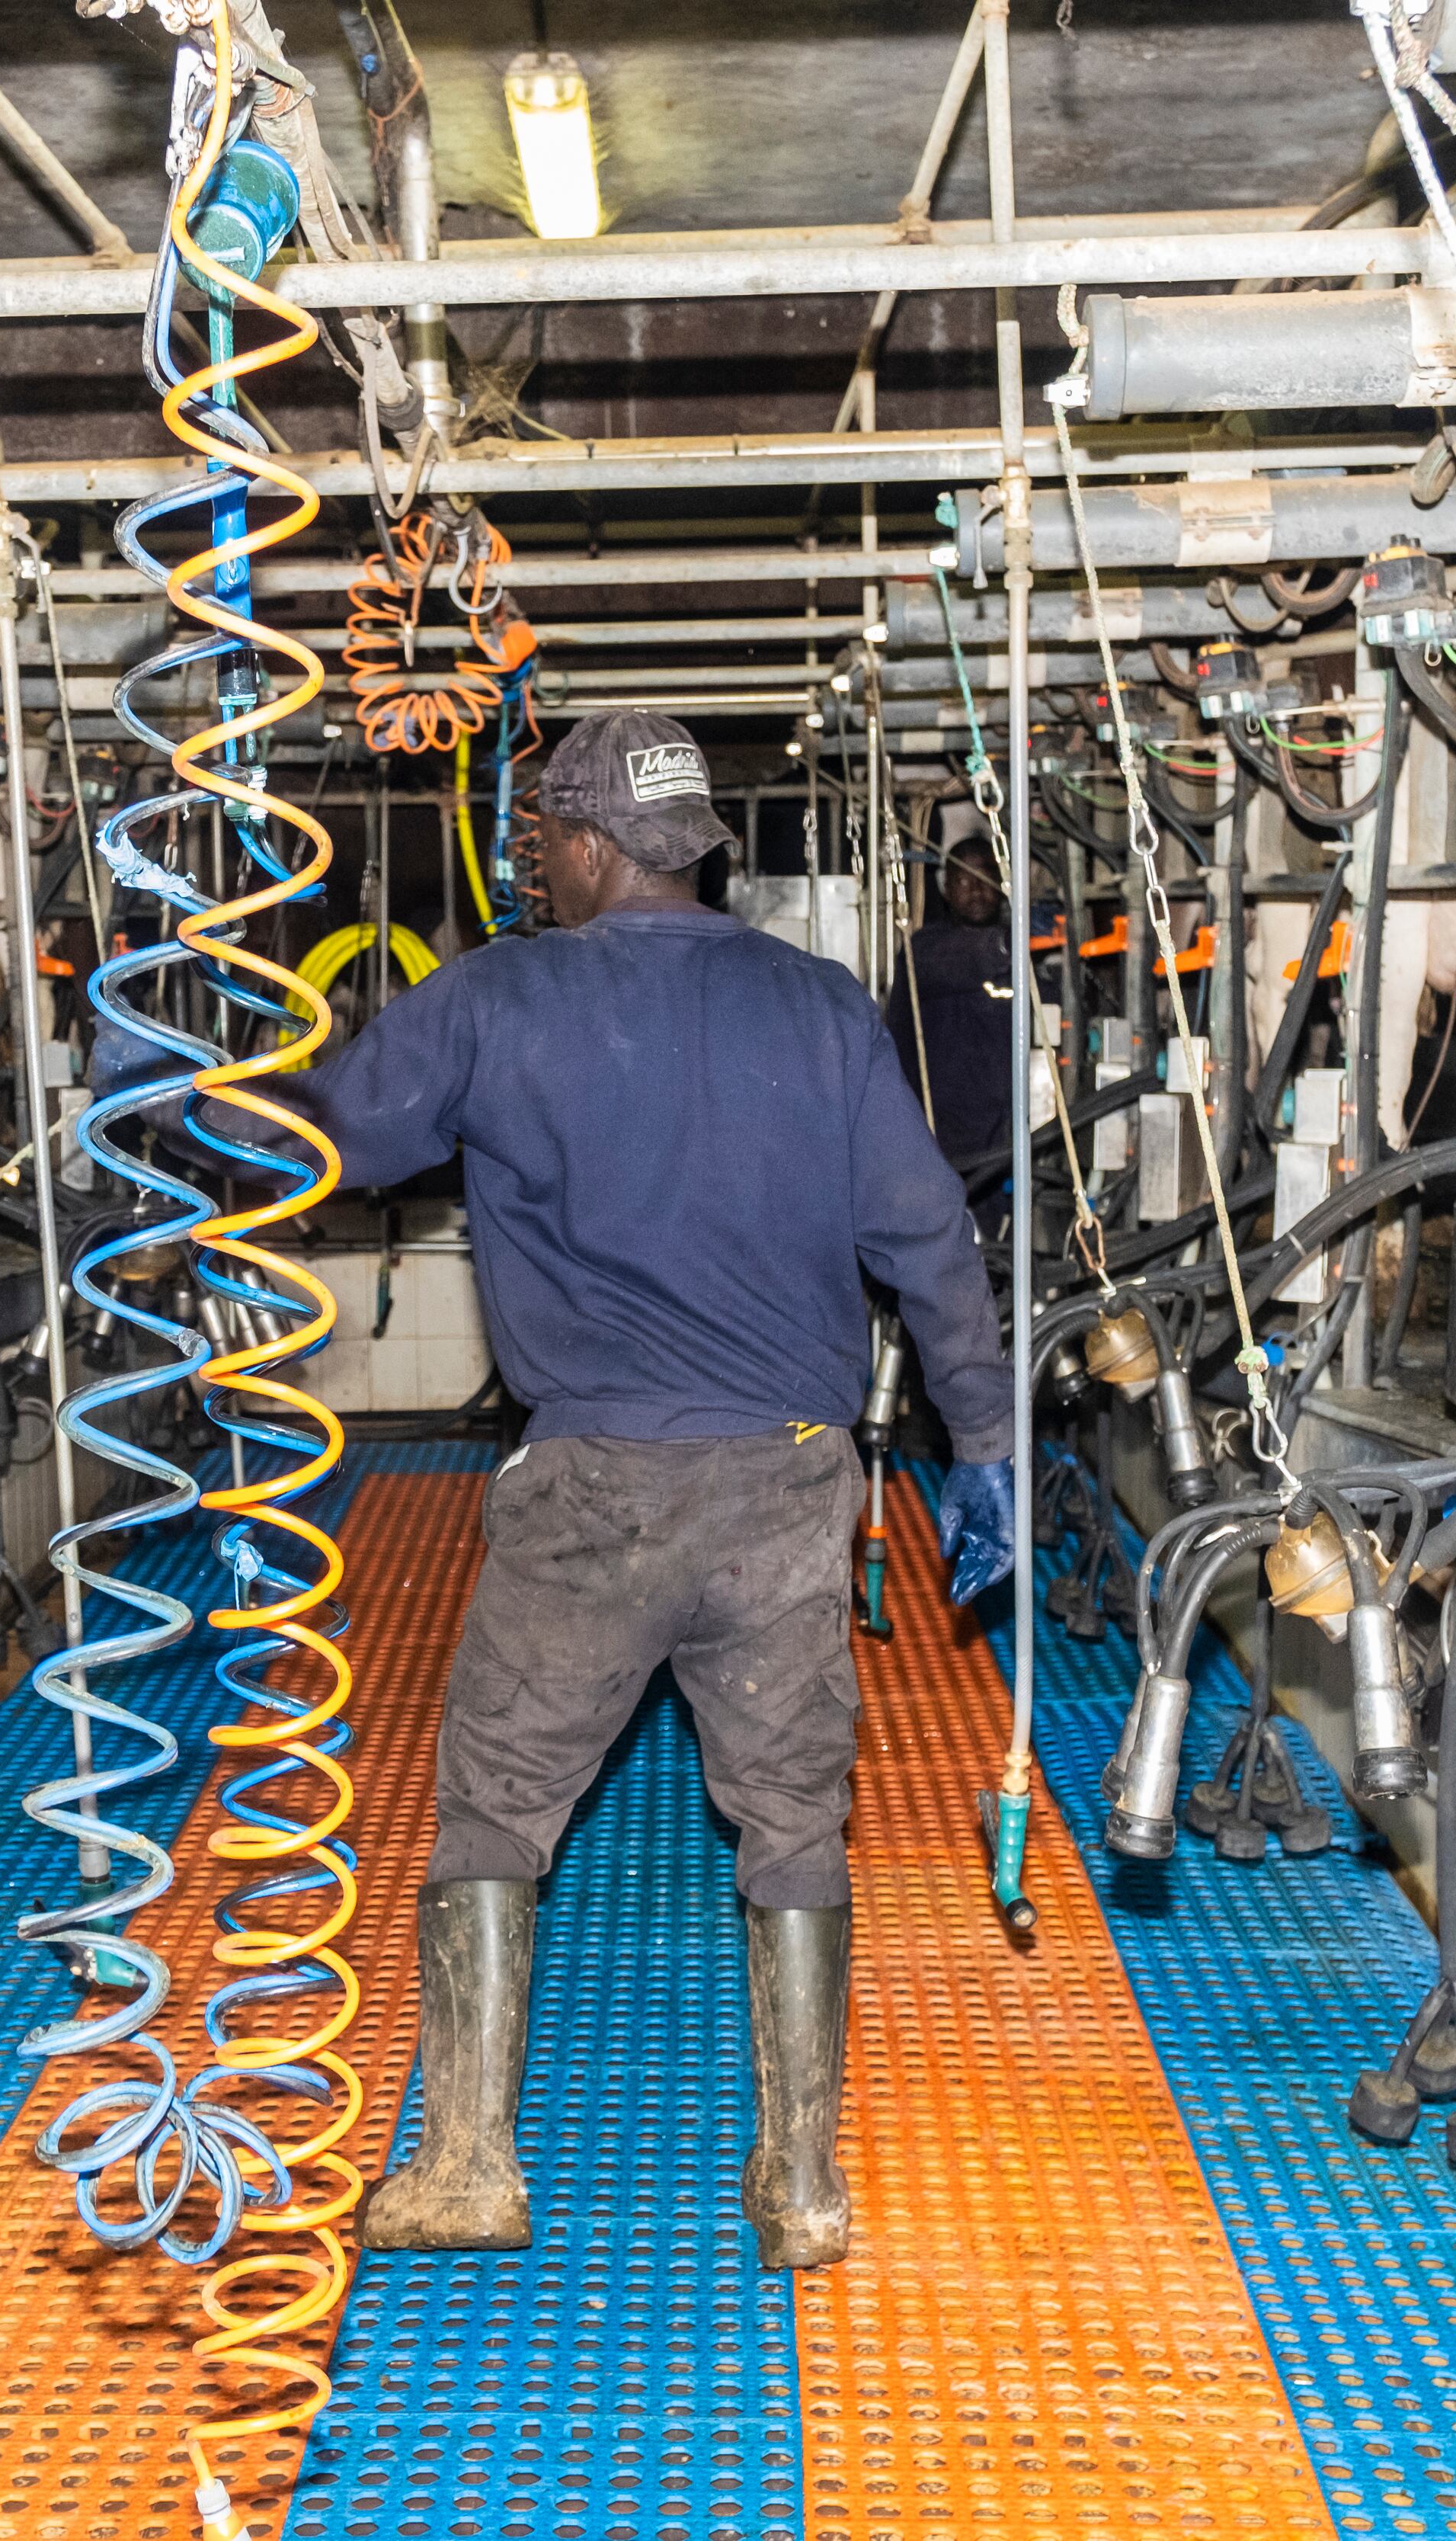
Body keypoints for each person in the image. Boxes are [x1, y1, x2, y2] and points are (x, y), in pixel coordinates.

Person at [290, 710, 1019, 2272]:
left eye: (543, 834)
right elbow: (930, 1246)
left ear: (590, 845)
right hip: (790, 1484)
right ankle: (802, 2179)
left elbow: (321, 1144)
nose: (532, 860)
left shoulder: (496, 995)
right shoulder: (823, 1009)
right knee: (792, 1815)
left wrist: (174, 1097)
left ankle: (472, 2161)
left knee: (496, 1802)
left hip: (592, 1490)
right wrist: (989, 1444)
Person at [891, 825, 1017, 1171]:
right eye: (963, 880)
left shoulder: (1024, 961)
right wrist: (1010, 945)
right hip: (940, 1140)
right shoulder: (925, 951)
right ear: (946, 891)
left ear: (1003, 885)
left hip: (1006, 1137)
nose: (976, 890)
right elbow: (966, 959)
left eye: (985, 878)